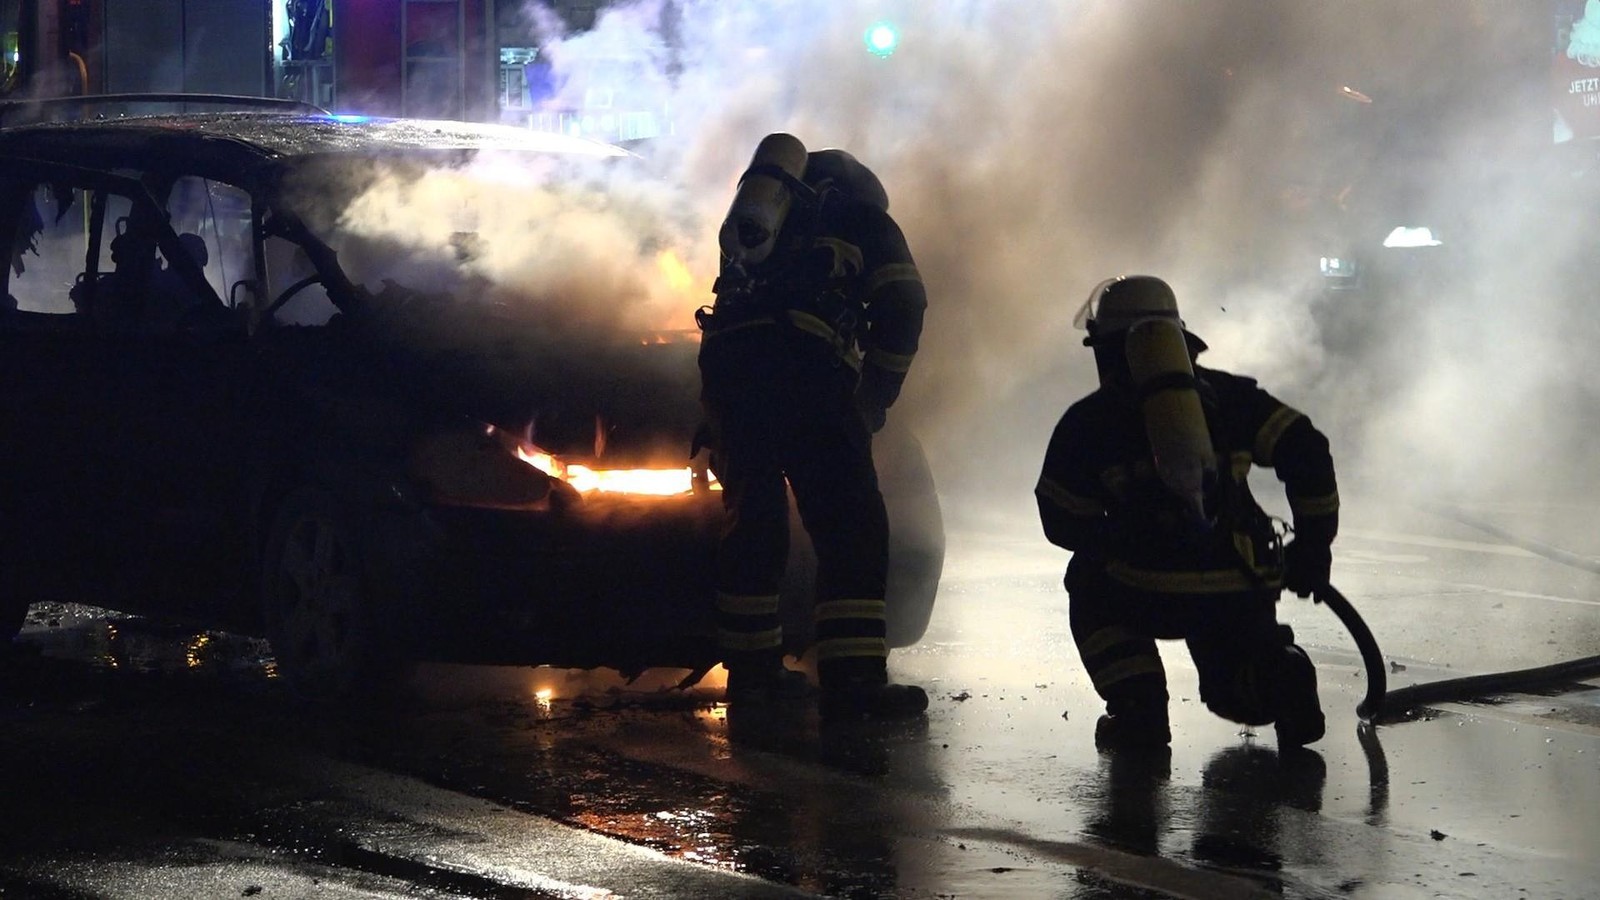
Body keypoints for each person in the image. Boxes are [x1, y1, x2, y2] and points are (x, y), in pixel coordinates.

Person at [1035, 275, 1338, 751]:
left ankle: (1139, 710)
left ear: (1108, 349)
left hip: (1144, 589)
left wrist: (1121, 536)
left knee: (1087, 578)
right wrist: (1314, 546)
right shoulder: (1233, 398)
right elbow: (1307, 448)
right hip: (1237, 582)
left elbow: (1061, 519)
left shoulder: (1088, 421)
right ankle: (1282, 677)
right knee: (1236, 692)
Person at [696, 133, 928, 719]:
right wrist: (874, 398)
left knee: (753, 522)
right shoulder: (863, 219)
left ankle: (752, 675)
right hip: (805, 374)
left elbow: (731, 309)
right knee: (852, 526)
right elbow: (905, 302)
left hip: (730, 379)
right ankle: (854, 680)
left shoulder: (757, 225)